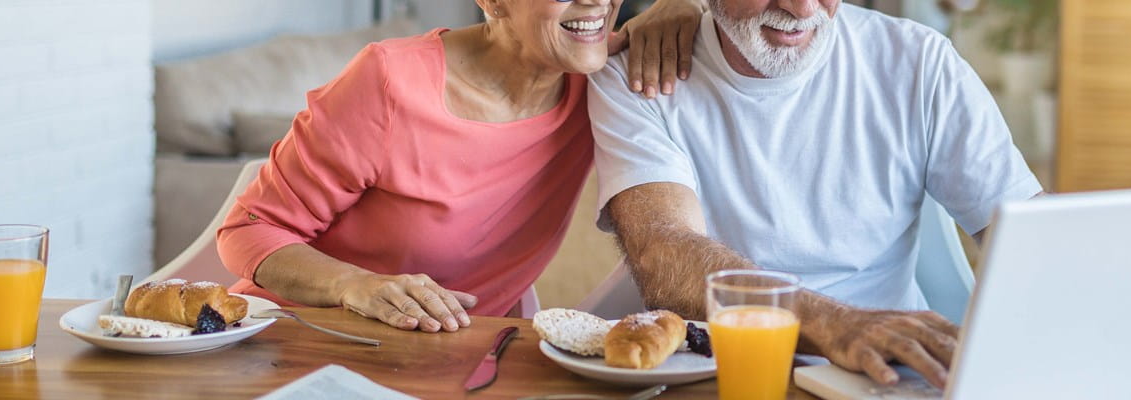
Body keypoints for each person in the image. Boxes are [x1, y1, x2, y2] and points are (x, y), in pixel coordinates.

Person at [584, 0, 1041, 389]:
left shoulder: (919, 62)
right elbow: (664, 251)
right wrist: (835, 326)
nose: (801, 9)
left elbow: (1032, 236)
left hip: (890, 375)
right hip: (725, 374)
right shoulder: (639, 74)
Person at [215, 0, 697, 333]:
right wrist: (352, 284)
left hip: (455, 357)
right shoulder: (390, 82)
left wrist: (687, 7)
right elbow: (249, 230)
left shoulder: (603, 82)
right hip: (308, 339)